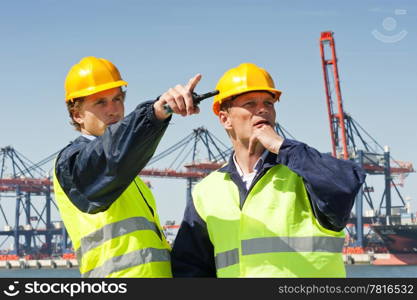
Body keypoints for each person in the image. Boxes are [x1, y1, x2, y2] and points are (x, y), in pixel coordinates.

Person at [171, 62, 366, 278]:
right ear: (225, 119)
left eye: (269, 103)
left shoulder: (303, 173)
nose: (262, 109)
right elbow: (190, 268)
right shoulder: (206, 191)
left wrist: (283, 147)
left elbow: (347, 182)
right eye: (250, 103)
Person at [53, 56, 201, 278]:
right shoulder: (72, 164)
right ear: (77, 114)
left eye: (117, 99)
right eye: (100, 102)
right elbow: (109, 156)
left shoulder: (130, 178)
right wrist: (155, 113)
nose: (113, 110)